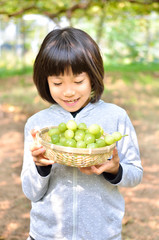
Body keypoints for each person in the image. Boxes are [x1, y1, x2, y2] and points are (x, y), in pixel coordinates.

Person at [21, 27, 143, 240]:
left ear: (93, 77)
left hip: (102, 234)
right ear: (45, 81)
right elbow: (31, 192)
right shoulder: (37, 125)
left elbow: (135, 174)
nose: (69, 91)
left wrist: (115, 171)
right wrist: (40, 168)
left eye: (78, 81)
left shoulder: (116, 117)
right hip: (47, 235)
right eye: (57, 83)